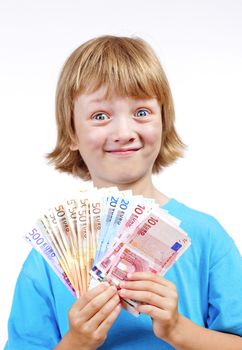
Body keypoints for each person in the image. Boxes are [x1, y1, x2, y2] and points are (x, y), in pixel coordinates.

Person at [5, 35, 242, 350]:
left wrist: (178, 330)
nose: (123, 133)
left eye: (141, 112)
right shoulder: (49, 258)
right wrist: (77, 342)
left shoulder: (206, 236)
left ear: (164, 122)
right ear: (72, 133)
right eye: (100, 116)